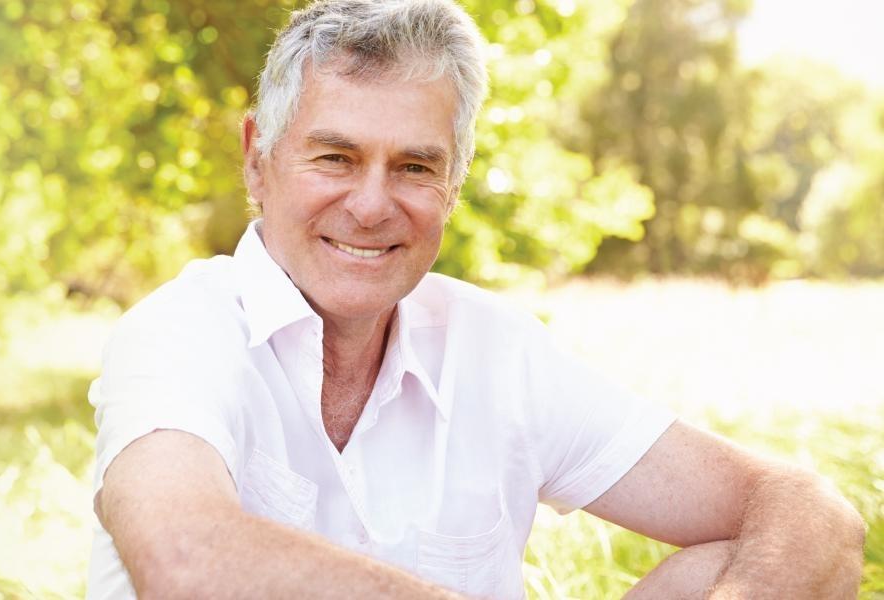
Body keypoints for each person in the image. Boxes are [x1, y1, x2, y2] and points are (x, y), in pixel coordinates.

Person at [85, 0, 865, 597]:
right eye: (335, 157)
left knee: (741, 564)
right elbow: (184, 556)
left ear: (454, 183)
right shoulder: (178, 333)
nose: (370, 204)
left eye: (416, 168)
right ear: (258, 160)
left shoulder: (494, 348)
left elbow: (808, 510)